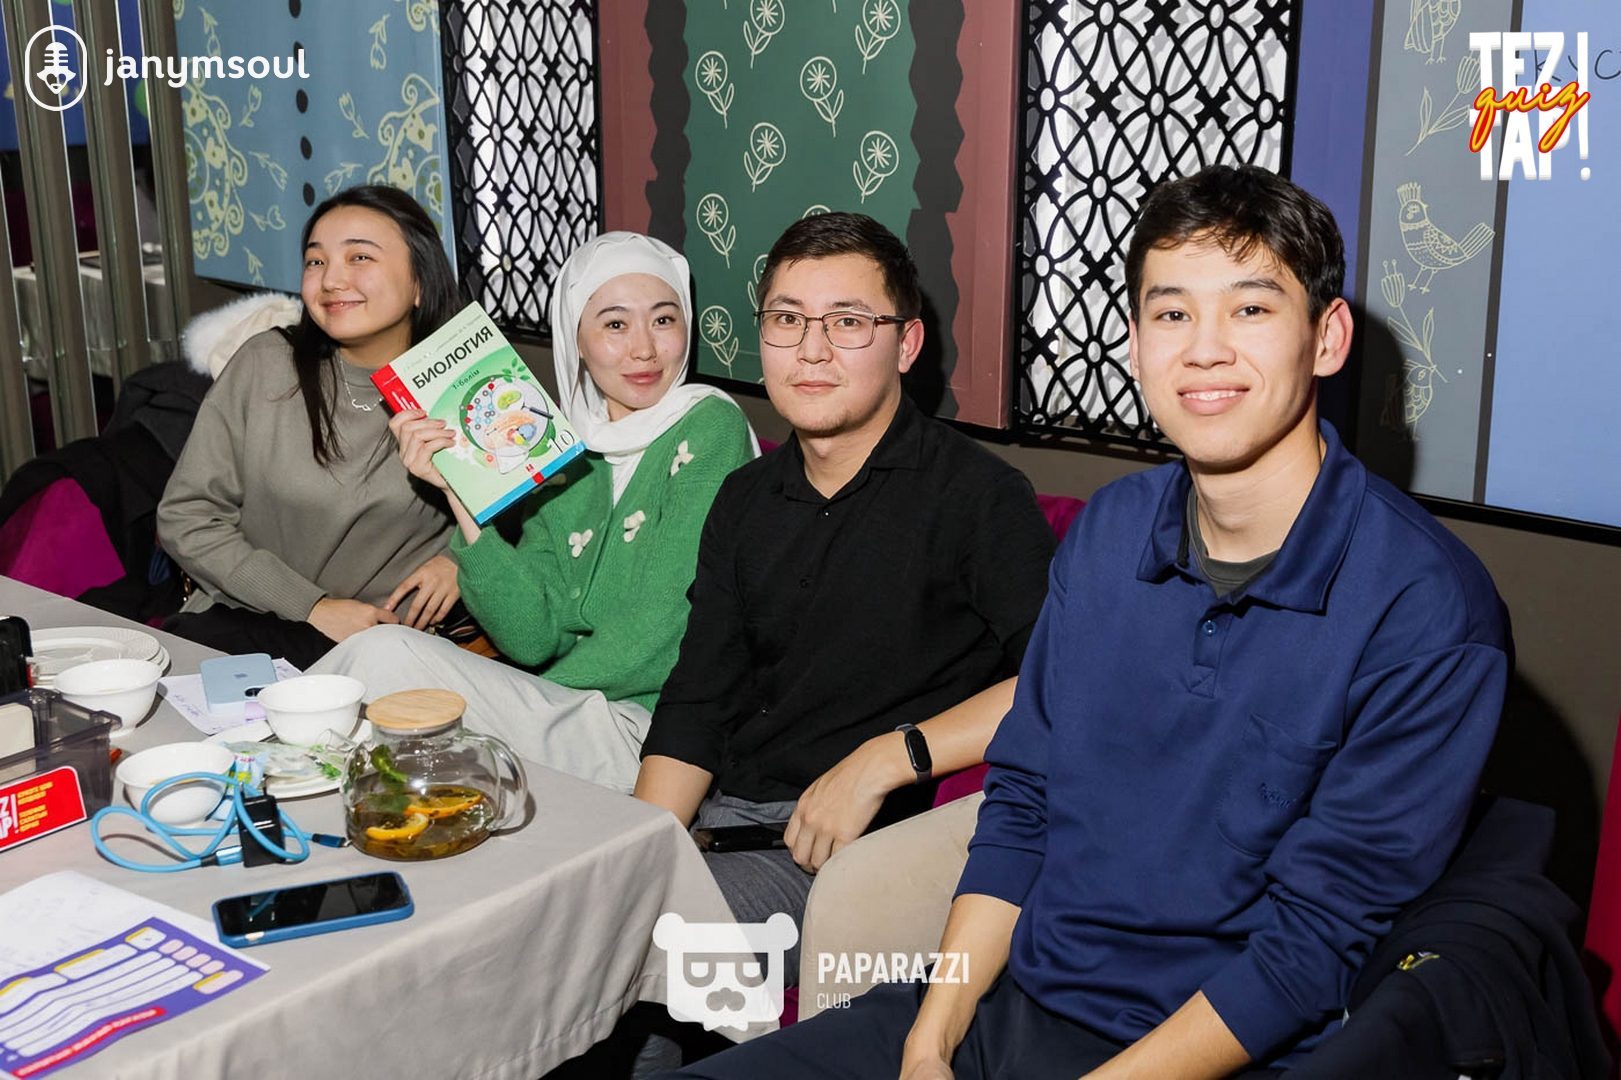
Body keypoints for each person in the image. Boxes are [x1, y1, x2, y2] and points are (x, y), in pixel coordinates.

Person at [660, 166, 1510, 1079]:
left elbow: (1312, 947)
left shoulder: (1425, 607)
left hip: (1210, 1053)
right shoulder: (1111, 531)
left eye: (1250, 309)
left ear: (1326, 337)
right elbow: (1023, 806)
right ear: (1135, 345)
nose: (1204, 350)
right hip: (1010, 1007)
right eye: (1172, 313)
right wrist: (931, 1037)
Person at [631, 211, 1056, 984]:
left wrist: (886, 759)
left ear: (907, 344)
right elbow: (698, 698)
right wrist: (641, 851)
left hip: (858, 857)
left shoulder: (977, 498)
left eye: (848, 322)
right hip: (726, 822)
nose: (811, 349)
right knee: (590, 916)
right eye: (786, 319)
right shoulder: (744, 497)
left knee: (641, 946)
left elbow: (1063, 683)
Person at [312, 232, 757, 794]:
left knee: (384, 665)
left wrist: (526, 694)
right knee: (377, 678)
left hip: (651, 736)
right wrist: (459, 492)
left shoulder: (711, 425)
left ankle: (253, 766)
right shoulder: (562, 454)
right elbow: (532, 638)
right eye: (615, 325)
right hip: (562, 712)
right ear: (577, 340)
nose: (644, 349)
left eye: (664, 320)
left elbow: (666, 630)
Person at [157, 185, 461, 669]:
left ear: (420, 282)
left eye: (360, 257)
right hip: (239, 628)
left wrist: (459, 561)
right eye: (316, 261)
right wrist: (314, 607)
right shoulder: (265, 365)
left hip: (377, 655)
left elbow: (537, 520)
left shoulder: (463, 383)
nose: (331, 280)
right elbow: (187, 516)